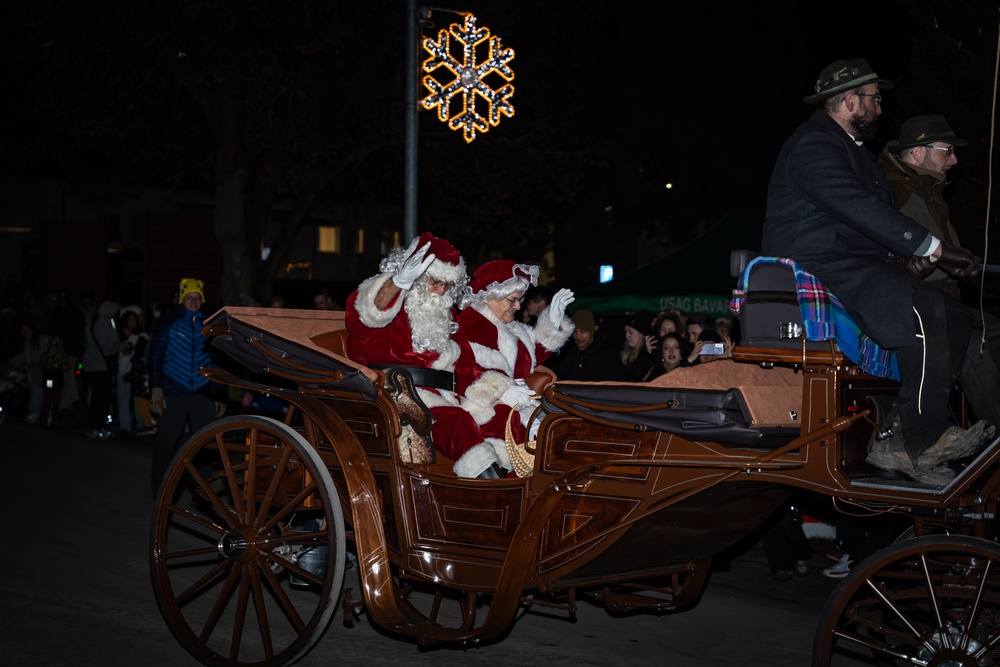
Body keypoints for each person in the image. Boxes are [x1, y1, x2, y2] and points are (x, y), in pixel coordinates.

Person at [762, 58, 992, 485]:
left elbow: (869, 223)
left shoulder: (854, 152)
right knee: (921, 308)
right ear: (850, 100)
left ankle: (903, 431)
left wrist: (909, 261)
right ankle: (921, 439)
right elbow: (859, 210)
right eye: (875, 100)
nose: (880, 109)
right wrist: (934, 248)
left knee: (957, 316)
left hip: (855, 264)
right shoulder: (814, 144)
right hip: (819, 264)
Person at [346, 233, 511, 478]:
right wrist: (399, 282)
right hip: (396, 396)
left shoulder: (447, 314)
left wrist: (500, 389)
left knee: (504, 418)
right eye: (436, 281)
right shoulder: (391, 301)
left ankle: (519, 493)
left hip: (444, 396)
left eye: (448, 285)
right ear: (419, 276)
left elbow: (465, 362)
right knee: (458, 423)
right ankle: (491, 497)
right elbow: (365, 315)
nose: (442, 290)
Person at [876, 115, 1000, 428]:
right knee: (976, 338)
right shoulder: (891, 192)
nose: (955, 159)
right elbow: (878, 253)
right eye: (947, 150)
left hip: (946, 299)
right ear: (918, 153)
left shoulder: (928, 190)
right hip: (918, 305)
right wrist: (905, 268)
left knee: (990, 328)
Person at [455, 260, 574, 475]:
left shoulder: (508, 325)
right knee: (518, 432)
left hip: (519, 401)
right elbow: (465, 369)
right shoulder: (472, 323)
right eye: (513, 300)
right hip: (481, 404)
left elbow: (530, 357)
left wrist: (553, 321)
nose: (518, 307)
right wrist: (504, 390)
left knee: (558, 426)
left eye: (520, 300)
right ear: (491, 298)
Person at [149, 278, 226, 495]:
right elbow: (155, 356)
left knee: (205, 443)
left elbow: (218, 361)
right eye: (189, 298)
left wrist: (220, 394)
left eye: (197, 298)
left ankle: (204, 489)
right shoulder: (168, 322)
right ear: (182, 300)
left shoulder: (210, 325)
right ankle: (160, 484)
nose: (193, 301)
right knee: (166, 440)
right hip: (174, 390)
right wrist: (155, 389)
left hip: (203, 391)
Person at [81, 296, 120, 439]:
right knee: (101, 398)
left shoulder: (99, 321)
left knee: (99, 398)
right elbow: (107, 343)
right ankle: (96, 427)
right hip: (99, 366)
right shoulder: (105, 322)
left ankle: (96, 426)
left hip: (95, 365)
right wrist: (119, 346)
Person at [550, 310, 625, 382]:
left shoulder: (608, 356)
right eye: (575, 331)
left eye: (583, 331)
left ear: (593, 330)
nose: (578, 336)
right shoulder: (563, 354)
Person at [620, 311, 656, 382]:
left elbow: (636, 373)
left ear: (641, 335)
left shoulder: (650, 355)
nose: (626, 336)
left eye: (630, 332)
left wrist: (646, 354)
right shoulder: (623, 353)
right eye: (626, 332)